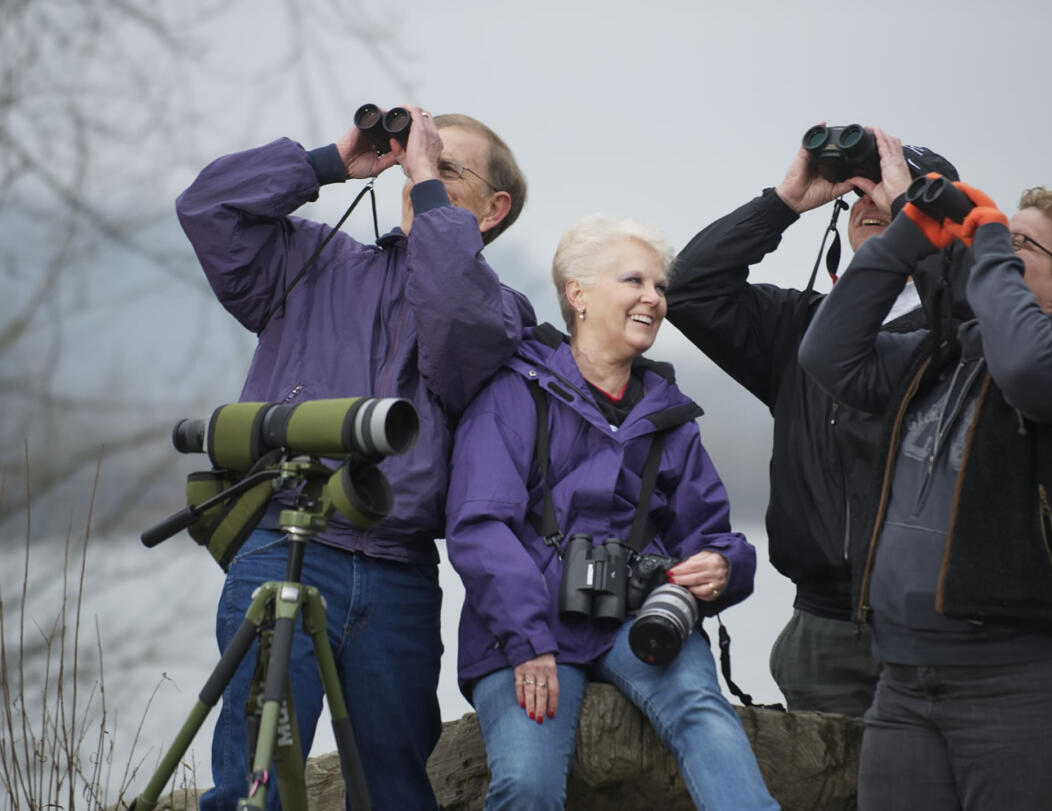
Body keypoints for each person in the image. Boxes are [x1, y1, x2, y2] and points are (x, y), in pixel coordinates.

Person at [176, 105, 536, 810]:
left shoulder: (501, 310)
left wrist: (425, 182)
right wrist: (327, 164)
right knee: (255, 782)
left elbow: (455, 317)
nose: (416, 173)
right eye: (413, 160)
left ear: (494, 209)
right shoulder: (314, 261)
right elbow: (208, 207)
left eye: (444, 165)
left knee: (394, 788)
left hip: (398, 574)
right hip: (280, 541)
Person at [798, 128, 1052, 809]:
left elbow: (1026, 367)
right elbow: (827, 356)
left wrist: (983, 242)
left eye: (1020, 245)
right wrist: (909, 234)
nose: (999, 253)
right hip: (905, 677)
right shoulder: (949, 349)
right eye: (1000, 238)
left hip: (1029, 680)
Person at [444, 214, 779, 810]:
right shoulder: (511, 393)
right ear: (578, 294)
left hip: (637, 620)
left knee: (705, 715)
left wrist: (723, 567)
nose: (654, 298)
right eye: (634, 281)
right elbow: (479, 527)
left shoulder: (671, 416)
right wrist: (528, 641)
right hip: (528, 624)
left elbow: (711, 534)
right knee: (527, 783)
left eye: (660, 287)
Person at [665, 125, 959, 715]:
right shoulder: (800, 327)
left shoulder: (965, 332)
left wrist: (911, 211)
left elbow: (976, 306)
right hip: (821, 627)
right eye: (859, 194)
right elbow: (691, 289)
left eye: (889, 191)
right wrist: (783, 204)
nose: (869, 204)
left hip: (941, 628)